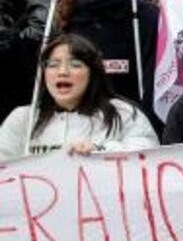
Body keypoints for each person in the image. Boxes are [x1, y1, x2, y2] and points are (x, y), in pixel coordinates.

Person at [53, 0, 161, 123]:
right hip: (81, 123)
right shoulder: (63, 20)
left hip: (137, 123)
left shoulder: (145, 15)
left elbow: (157, 77)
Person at [0, 34, 158, 158]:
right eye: (53, 65)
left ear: (93, 73)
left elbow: (148, 155)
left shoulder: (123, 113)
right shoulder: (23, 118)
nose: (62, 72)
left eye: (75, 65)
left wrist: (100, 151)